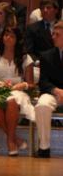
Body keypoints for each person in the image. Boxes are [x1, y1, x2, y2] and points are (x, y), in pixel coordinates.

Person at [0, 27, 34, 156]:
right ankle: (14, 139)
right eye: (6, 35)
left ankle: (10, 142)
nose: (8, 38)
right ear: (2, 38)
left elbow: (31, 83)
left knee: (11, 101)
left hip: (17, 91)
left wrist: (22, 85)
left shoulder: (25, 58)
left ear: (17, 39)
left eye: (12, 36)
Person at [34, 21, 63, 158]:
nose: (53, 37)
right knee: (42, 105)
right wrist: (56, 90)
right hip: (53, 92)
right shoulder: (46, 55)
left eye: (57, 34)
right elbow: (43, 82)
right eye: (53, 34)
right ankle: (44, 147)